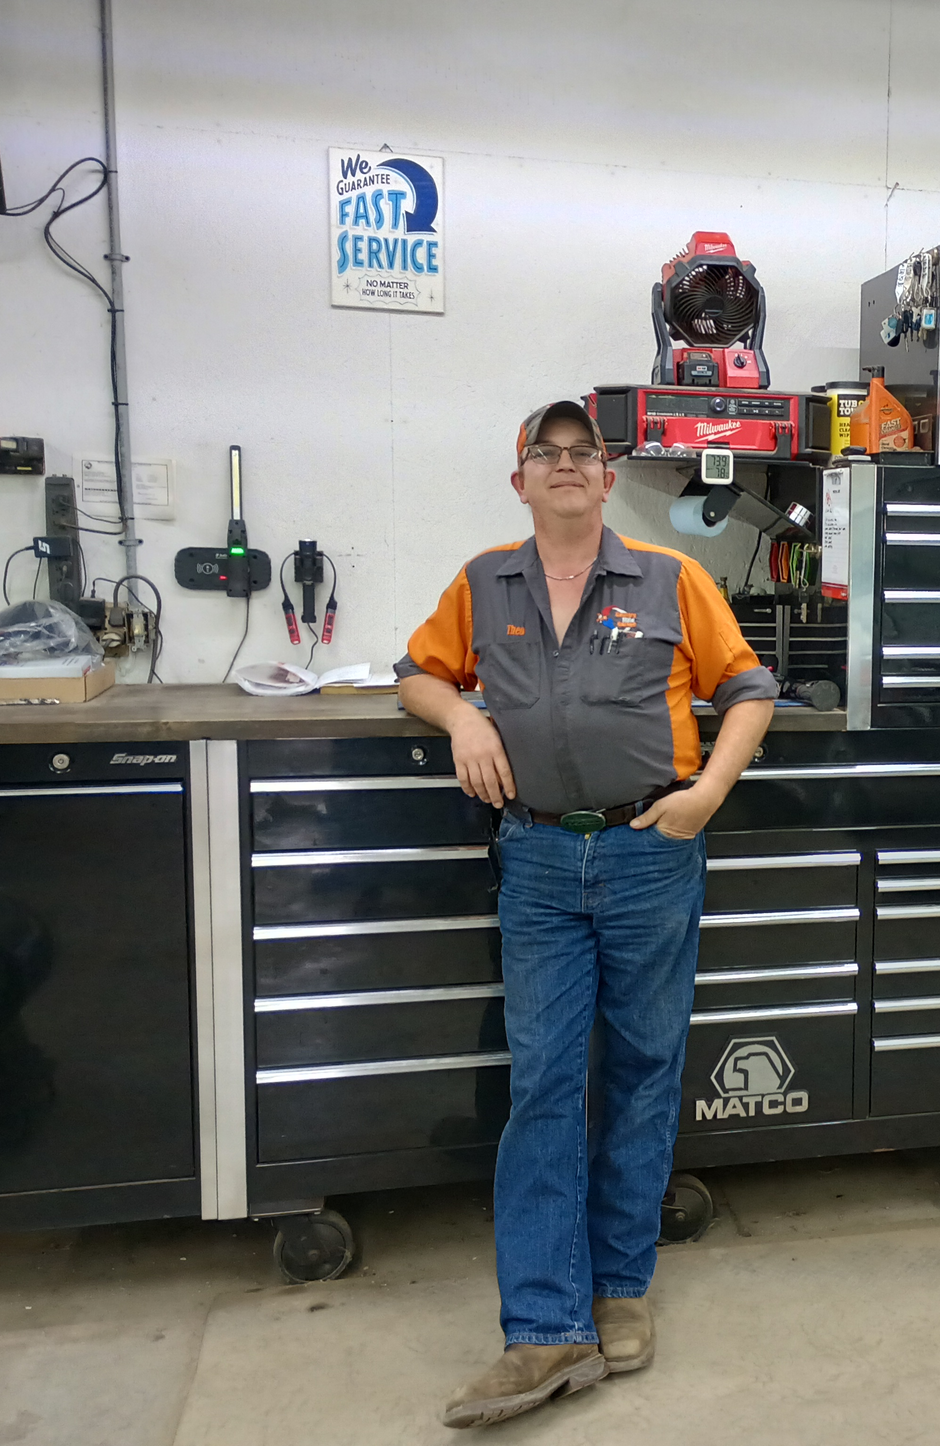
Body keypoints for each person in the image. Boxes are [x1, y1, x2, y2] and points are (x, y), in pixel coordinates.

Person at [396, 400, 776, 1430]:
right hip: (537, 855)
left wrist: (704, 799)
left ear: (609, 477)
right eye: (545, 456)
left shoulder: (671, 577)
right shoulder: (485, 581)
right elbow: (414, 676)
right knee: (547, 1083)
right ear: (520, 481)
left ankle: (620, 1288)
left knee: (644, 1070)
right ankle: (545, 1328)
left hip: (649, 852)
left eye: (583, 455)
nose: (566, 469)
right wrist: (463, 711)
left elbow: (749, 688)